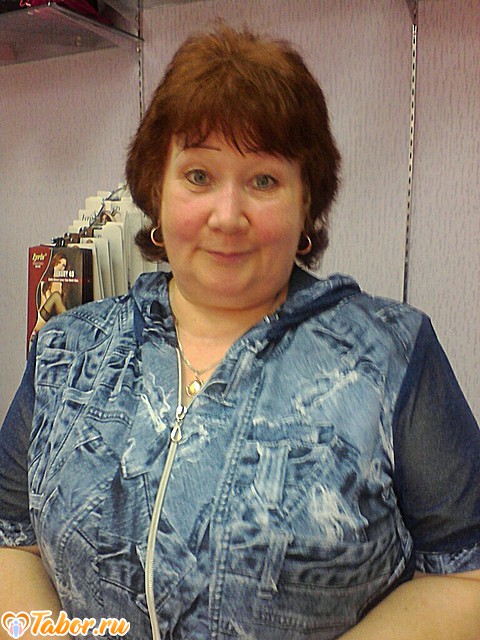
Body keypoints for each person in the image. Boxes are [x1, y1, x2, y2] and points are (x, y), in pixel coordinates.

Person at [1, 24, 480, 640]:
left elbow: (466, 574)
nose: (228, 217)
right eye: (199, 176)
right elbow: (11, 539)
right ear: (156, 189)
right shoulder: (68, 349)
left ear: (307, 203)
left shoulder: (390, 353)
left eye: (263, 181)